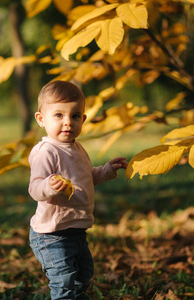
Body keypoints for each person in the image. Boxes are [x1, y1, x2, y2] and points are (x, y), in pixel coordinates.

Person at [28, 80, 128, 299]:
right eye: (58, 115)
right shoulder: (46, 152)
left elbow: (84, 178)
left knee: (83, 275)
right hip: (52, 233)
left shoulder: (77, 148)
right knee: (64, 282)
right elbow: (35, 188)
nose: (68, 123)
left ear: (83, 119)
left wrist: (106, 170)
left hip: (76, 230)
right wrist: (49, 186)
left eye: (75, 116)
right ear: (41, 119)